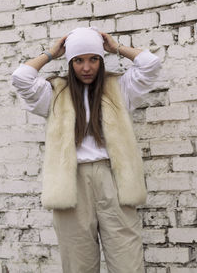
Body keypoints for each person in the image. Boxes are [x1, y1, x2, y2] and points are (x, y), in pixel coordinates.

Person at [12, 27, 161, 273]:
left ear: (102, 60)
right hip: (71, 184)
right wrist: (51, 54)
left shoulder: (120, 88)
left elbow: (150, 64)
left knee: (128, 262)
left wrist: (116, 48)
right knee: (78, 265)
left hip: (113, 179)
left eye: (93, 59)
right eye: (78, 60)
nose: (86, 67)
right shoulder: (53, 93)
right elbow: (21, 77)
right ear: (70, 63)